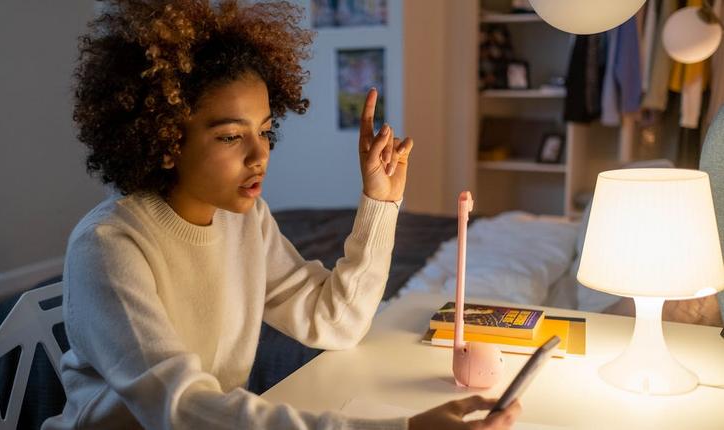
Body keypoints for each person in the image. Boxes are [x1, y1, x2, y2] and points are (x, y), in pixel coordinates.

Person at [42, 1, 521, 429]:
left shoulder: (244, 221)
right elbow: (181, 409)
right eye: (231, 136)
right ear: (166, 140)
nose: (261, 155)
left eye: (266, 131)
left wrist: (379, 202)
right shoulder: (109, 247)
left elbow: (335, 323)